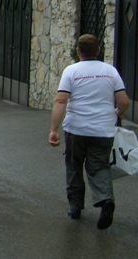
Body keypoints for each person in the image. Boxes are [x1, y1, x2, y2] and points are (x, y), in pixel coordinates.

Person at [49, 34, 130, 230]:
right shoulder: (110, 71)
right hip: (103, 130)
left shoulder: (71, 71)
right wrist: (118, 112)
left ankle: (75, 207)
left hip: (76, 129)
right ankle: (106, 199)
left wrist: (53, 130)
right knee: (99, 166)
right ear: (98, 51)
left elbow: (61, 101)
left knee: (74, 166)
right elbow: (124, 101)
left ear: (78, 51)